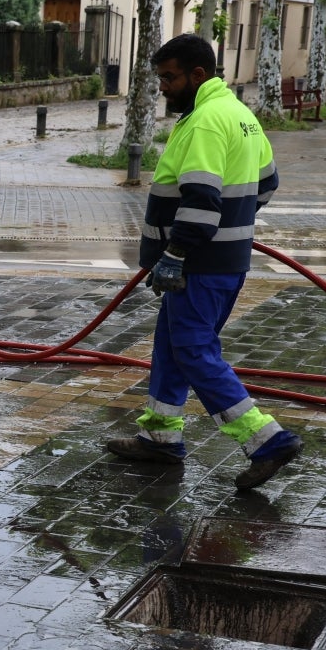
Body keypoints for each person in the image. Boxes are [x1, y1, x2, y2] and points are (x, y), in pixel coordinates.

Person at [105, 33, 303, 490]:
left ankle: (266, 440)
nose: (163, 87)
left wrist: (175, 254)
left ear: (198, 75)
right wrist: (234, 229)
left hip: (197, 265)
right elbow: (268, 184)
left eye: (169, 78)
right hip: (223, 261)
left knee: (193, 350)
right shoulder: (239, 114)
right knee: (172, 345)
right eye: (160, 78)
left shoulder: (205, 123)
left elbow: (200, 201)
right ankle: (160, 435)